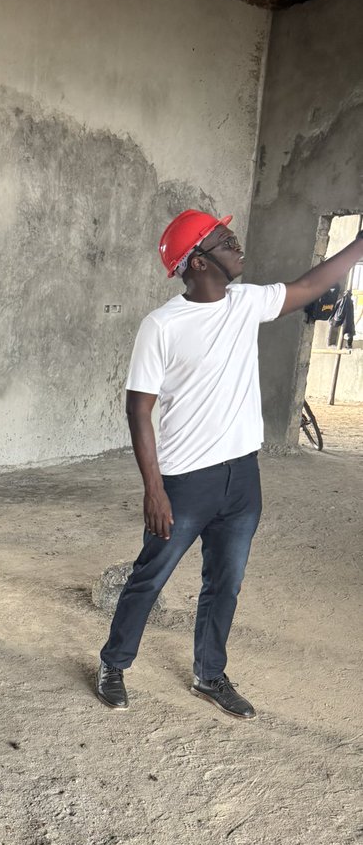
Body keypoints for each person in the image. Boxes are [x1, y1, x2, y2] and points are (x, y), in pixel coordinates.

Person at [96, 210, 363, 718]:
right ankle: (114, 663)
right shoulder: (162, 326)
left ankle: (209, 673)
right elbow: (139, 408)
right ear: (198, 260)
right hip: (184, 483)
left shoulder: (246, 303)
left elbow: (309, 285)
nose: (235, 242)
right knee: (149, 577)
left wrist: (359, 247)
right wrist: (154, 490)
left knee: (225, 581)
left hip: (242, 477)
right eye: (223, 238)